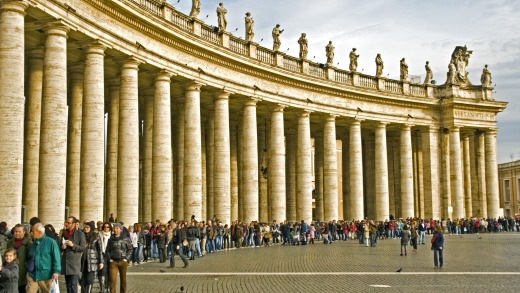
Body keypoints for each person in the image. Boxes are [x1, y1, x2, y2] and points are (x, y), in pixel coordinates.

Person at [26, 223, 61, 293]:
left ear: (40, 232)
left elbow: (56, 258)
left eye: (33, 231)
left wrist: (56, 271)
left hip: (46, 275)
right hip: (33, 275)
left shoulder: (51, 242)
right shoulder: (33, 243)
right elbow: (30, 256)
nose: (31, 233)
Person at [60, 217, 86, 293]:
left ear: (73, 224)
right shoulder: (63, 233)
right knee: (68, 286)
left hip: (74, 264)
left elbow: (83, 248)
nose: (66, 224)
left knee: (73, 285)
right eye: (66, 222)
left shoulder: (80, 234)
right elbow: (59, 246)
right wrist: (62, 247)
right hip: (65, 263)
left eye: (68, 223)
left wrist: (73, 245)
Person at [106, 223, 133, 293]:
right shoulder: (110, 239)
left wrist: (127, 258)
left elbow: (130, 249)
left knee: (123, 280)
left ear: (120, 230)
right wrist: (109, 259)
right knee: (112, 280)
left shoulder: (126, 239)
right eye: (114, 228)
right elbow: (107, 250)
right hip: (113, 262)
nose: (115, 229)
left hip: (123, 261)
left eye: (117, 228)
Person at [7, 224, 32, 293]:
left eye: (19, 231)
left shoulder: (29, 243)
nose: (17, 233)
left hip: (23, 272)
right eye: (16, 231)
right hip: (11, 271)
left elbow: (31, 258)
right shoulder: (9, 242)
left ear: (24, 232)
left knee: (22, 288)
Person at [81, 221, 104, 293]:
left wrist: (101, 262)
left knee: (90, 280)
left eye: (87, 227)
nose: (86, 229)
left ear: (91, 228)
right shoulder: (81, 235)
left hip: (93, 261)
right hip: (82, 260)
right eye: (85, 227)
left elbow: (100, 250)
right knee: (82, 280)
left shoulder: (96, 236)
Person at [98, 222, 111, 292]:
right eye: (105, 227)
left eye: (107, 227)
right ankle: (102, 288)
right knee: (102, 271)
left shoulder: (111, 236)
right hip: (102, 254)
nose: (106, 228)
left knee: (109, 271)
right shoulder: (99, 235)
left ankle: (108, 287)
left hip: (109, 255)